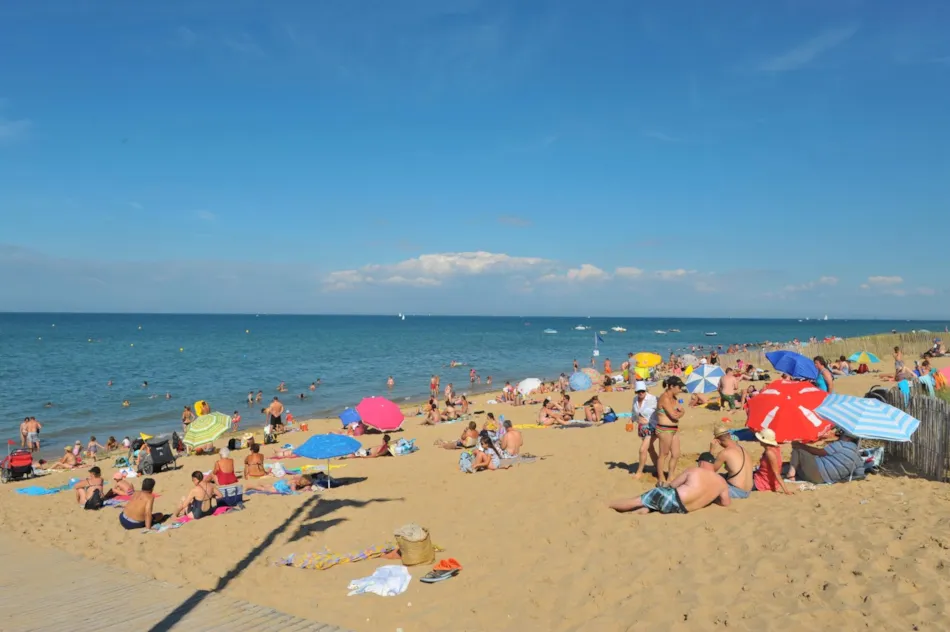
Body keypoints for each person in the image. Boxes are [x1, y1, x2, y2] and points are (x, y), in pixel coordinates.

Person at [609, 453, 731, 514]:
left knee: (638, 500)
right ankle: (644, 510)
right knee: (654, 503)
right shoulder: (721, 482)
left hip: (674, 498)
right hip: (682, 510)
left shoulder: (694, 471)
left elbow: (672, 485)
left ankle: (608, 505)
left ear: (702, 462)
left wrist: (662, 485)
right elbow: (725, 503)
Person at [787, 430, 862, 484]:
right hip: (823, 480)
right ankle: (792, 471)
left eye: (841, 435)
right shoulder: (858, 455)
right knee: (797, 461)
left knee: (798, 451)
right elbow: (859, 472)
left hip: (818, 472)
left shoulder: (842, 444)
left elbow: (820, 452)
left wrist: (801, 446)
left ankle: (791, 476)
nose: (839, 437)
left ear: (848, 438)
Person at [654, 377, 686, 486]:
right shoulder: (665, 398)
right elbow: (674, 414)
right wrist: (680, 413)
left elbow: (680, 412)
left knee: (676, 454)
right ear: (671, 386)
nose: (680, 389)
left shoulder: (674, 398)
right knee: (664, 454)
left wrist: (680, 413)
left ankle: (671, 475)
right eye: (679, 387)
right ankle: (661, 477)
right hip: (664, 429)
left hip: (673, 429)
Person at [709, 426, 753, 499]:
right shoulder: (743, 449)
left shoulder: (724, 453)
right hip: (748, 491)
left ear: (718, 441)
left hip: (735, 491)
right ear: (729, 435)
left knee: (706, 483)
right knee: (721, 475)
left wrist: (711, 451)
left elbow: (709, 471)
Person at [630, 382, 658, 479]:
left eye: (642, 391)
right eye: (638, 391)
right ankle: (658, 466)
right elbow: (634, 413)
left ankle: (639, 471)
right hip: (641, 427)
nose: (640, 393)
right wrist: (631, 421)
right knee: (650, 449)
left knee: (642, 450)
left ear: (645, 390)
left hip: (651, 427)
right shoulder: (635, 400)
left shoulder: (653, 399)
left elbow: (663, 407)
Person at [752, 428, 792, 494]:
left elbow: (776, 473)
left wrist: (786, 490)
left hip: (763, 481)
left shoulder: (769, 453)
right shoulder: (775, 448)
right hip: (762, 476)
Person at [247, 474, 315, 495]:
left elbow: (298, 476)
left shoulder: (297, 479)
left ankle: (261, 484)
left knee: (269, 486)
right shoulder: (293, 484)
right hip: (279, 488)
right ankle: (251, 486)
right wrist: (303, 490)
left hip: (281, 483)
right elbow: (293, 492)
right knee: (264, 489)